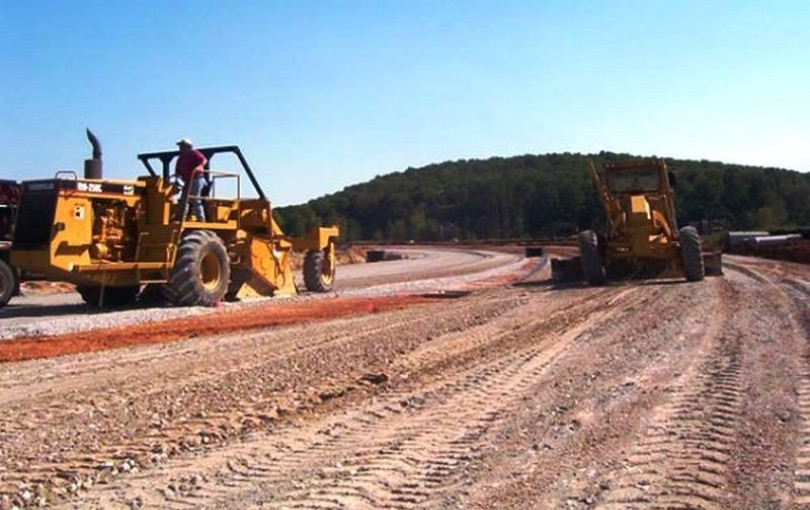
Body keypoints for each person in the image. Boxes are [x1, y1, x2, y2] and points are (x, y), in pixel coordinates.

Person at [174, 138, 208, 221]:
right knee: (184, 200)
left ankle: (201, 220)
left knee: (194, 198)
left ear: (188, 147)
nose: (180, 148)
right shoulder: (180, 158)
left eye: (182, 146)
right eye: (180, 146)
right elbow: (177, 171)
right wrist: (176, 177)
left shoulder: (194, 153)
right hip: (188, 181)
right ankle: (182, 219)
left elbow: (204, 160)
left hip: (197, 179)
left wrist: (200, 167)